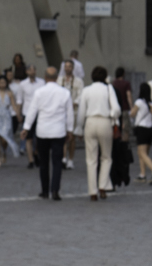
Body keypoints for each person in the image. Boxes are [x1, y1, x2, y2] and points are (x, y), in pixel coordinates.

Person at [27, 65, 73, 200]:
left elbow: (32, 111)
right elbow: (69, 113)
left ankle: (45, 190)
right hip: (58, 131)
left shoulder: (39, 92)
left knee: (44, 162)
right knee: (57, 162)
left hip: (42, 131)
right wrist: (69, 129)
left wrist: (26, 127)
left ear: (45, 77)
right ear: (57, 78)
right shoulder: (65, 92)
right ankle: (55, 190)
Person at [78, 66, 119, 200]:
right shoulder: (108, 89)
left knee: (91, 159)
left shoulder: (86, 90)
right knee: (106, 157)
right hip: (104, 122)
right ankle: (103, 186)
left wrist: (79, 128)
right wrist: (112, 115)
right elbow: (116, 109)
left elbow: (81, 112)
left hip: (90, 122)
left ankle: (92, 191)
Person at [130, 73, 152, 183]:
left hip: (141, 129)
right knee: (143, 153)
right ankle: (142, 175)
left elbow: (132, 114)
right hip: (150, 129)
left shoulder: (139, 102)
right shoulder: (151, 103)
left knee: (142, 153)